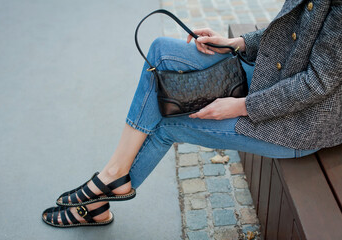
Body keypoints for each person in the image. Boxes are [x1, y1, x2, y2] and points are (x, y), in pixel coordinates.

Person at [42, 0, 342, 227]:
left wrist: (240, 106)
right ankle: (112, 177)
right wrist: (234, 43)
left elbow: (316, 83)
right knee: (162, 51)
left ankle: (100, 197)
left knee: (168, 124)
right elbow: (293, 31)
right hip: (271, 76)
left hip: (299, 122)